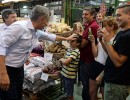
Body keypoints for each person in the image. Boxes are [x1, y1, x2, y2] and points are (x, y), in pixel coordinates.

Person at [0, 5, 76, 100]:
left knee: (18, 95)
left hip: (19, 69)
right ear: (41, 19)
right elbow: (1, 47)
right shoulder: (19, 27)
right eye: (47, 21)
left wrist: (66, 38)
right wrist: (3, 74)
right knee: (9, 97)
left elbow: (49, 36)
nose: (47, 24)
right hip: (7, 68)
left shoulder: (35, 31)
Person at [99, 4, 130, 100]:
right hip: (112, 81)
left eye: (119, 15)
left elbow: (118, 62)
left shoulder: (128, 36)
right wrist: (102, 41)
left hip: (117, 84)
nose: (116, 19)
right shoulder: (121, 33)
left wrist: (108, 41)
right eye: (116, 15)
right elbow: (111, 54)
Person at [88, 16, 118, 100]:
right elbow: (95, 54)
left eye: (104, 26)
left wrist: (102, 41)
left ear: (111, 27)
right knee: (91, 92)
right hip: (96, 65)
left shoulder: (115, 39)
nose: (101, 28)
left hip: (106, 68)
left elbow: (110, 55)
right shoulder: (101, 37)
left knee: (105, 94)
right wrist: (93, 42)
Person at [80, 7, 99, 100]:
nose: (83, 16)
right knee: (86, 84)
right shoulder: (89, 25)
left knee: (86, 84)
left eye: (86, 14)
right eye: (83, 14)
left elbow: (82, 44)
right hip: (86, 59)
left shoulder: (92, 27)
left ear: (92, 15)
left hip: (88, 60)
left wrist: (73, 42)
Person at [60, 34, 82, 100]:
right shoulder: (70, 49)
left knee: (70, 95)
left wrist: (61, 59)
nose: (70, 42)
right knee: (67, 91)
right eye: (70, 41)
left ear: (78, 43)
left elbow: (66, 62)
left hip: (69, 76)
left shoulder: (76, 51)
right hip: (64, 74)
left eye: (73, 41)